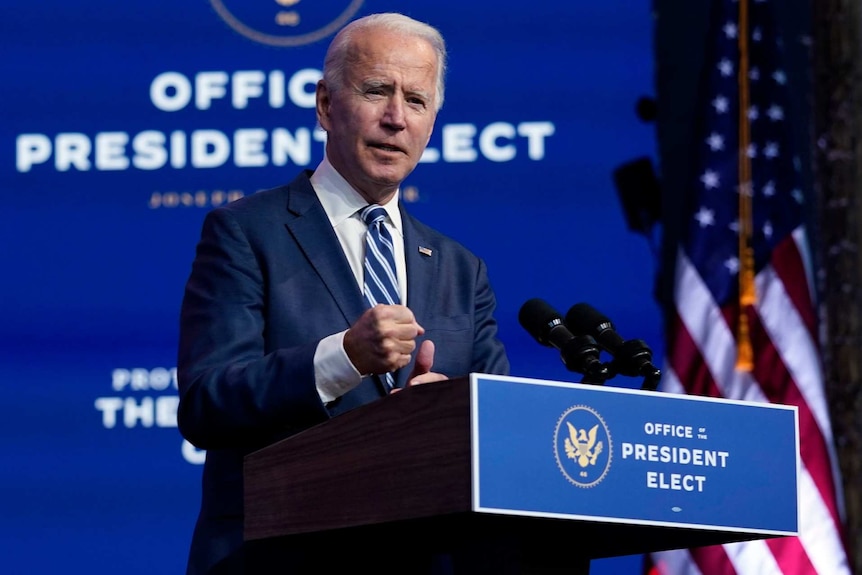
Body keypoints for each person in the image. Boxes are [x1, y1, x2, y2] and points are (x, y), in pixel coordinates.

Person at [176, 12, 510, 574]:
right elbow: (207, 404)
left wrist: (448, 414)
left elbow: (500, 430)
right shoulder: (245, 232)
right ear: (326, 105)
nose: (395, 118)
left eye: (417, 101)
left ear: (433, 123)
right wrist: (343, 358)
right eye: (377, 90)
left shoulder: (461, 269)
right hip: (279, 559)